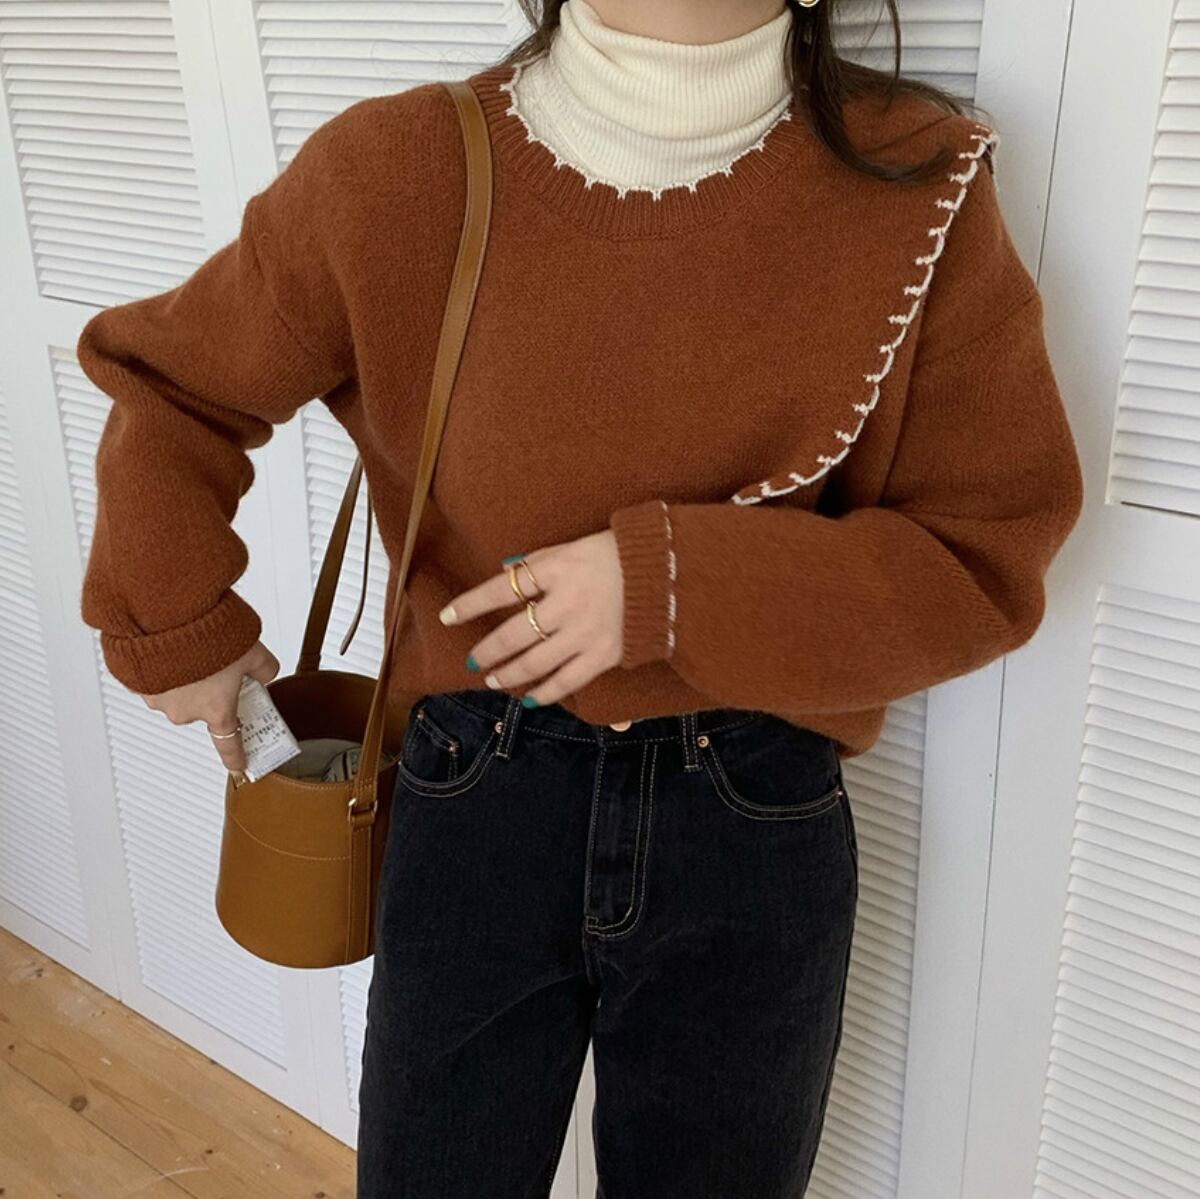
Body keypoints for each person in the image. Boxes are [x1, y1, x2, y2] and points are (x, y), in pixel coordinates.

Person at [75, 0, 1085, 1193]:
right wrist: (175, 617)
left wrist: (671, 585)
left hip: (752, 816)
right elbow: (172, 383)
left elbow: (983, 554)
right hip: (474, 793)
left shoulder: (916, 176)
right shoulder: (398, 169)